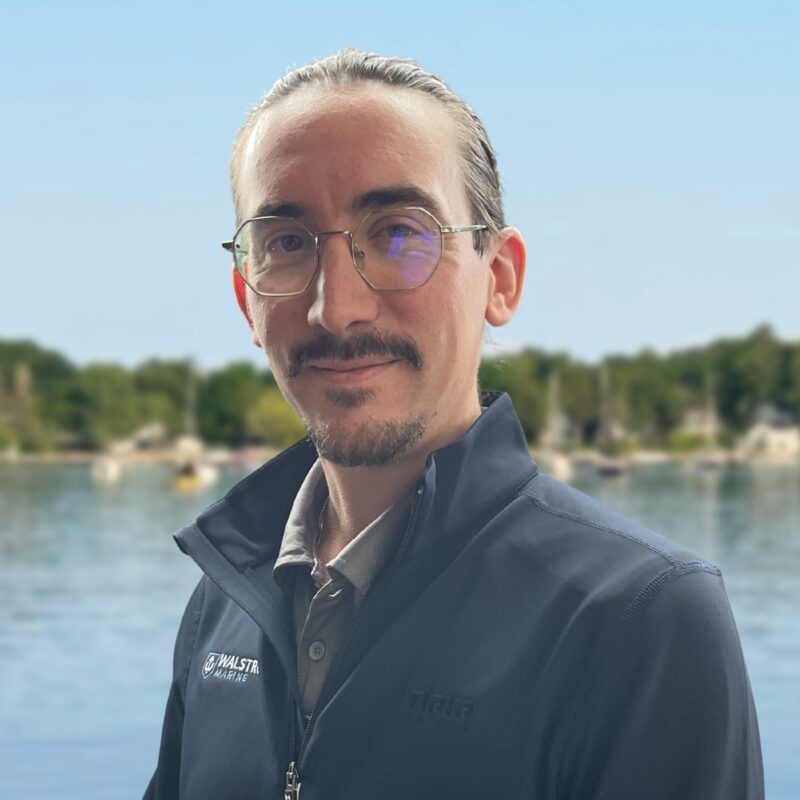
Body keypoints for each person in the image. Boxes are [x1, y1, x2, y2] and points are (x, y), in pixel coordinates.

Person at [144, 49, 763, 799]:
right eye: (286, 243)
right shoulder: (224, 604)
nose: (336, 307)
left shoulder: (641, 618)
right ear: (248, 299)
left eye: (399, 235)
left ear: (499, 279)